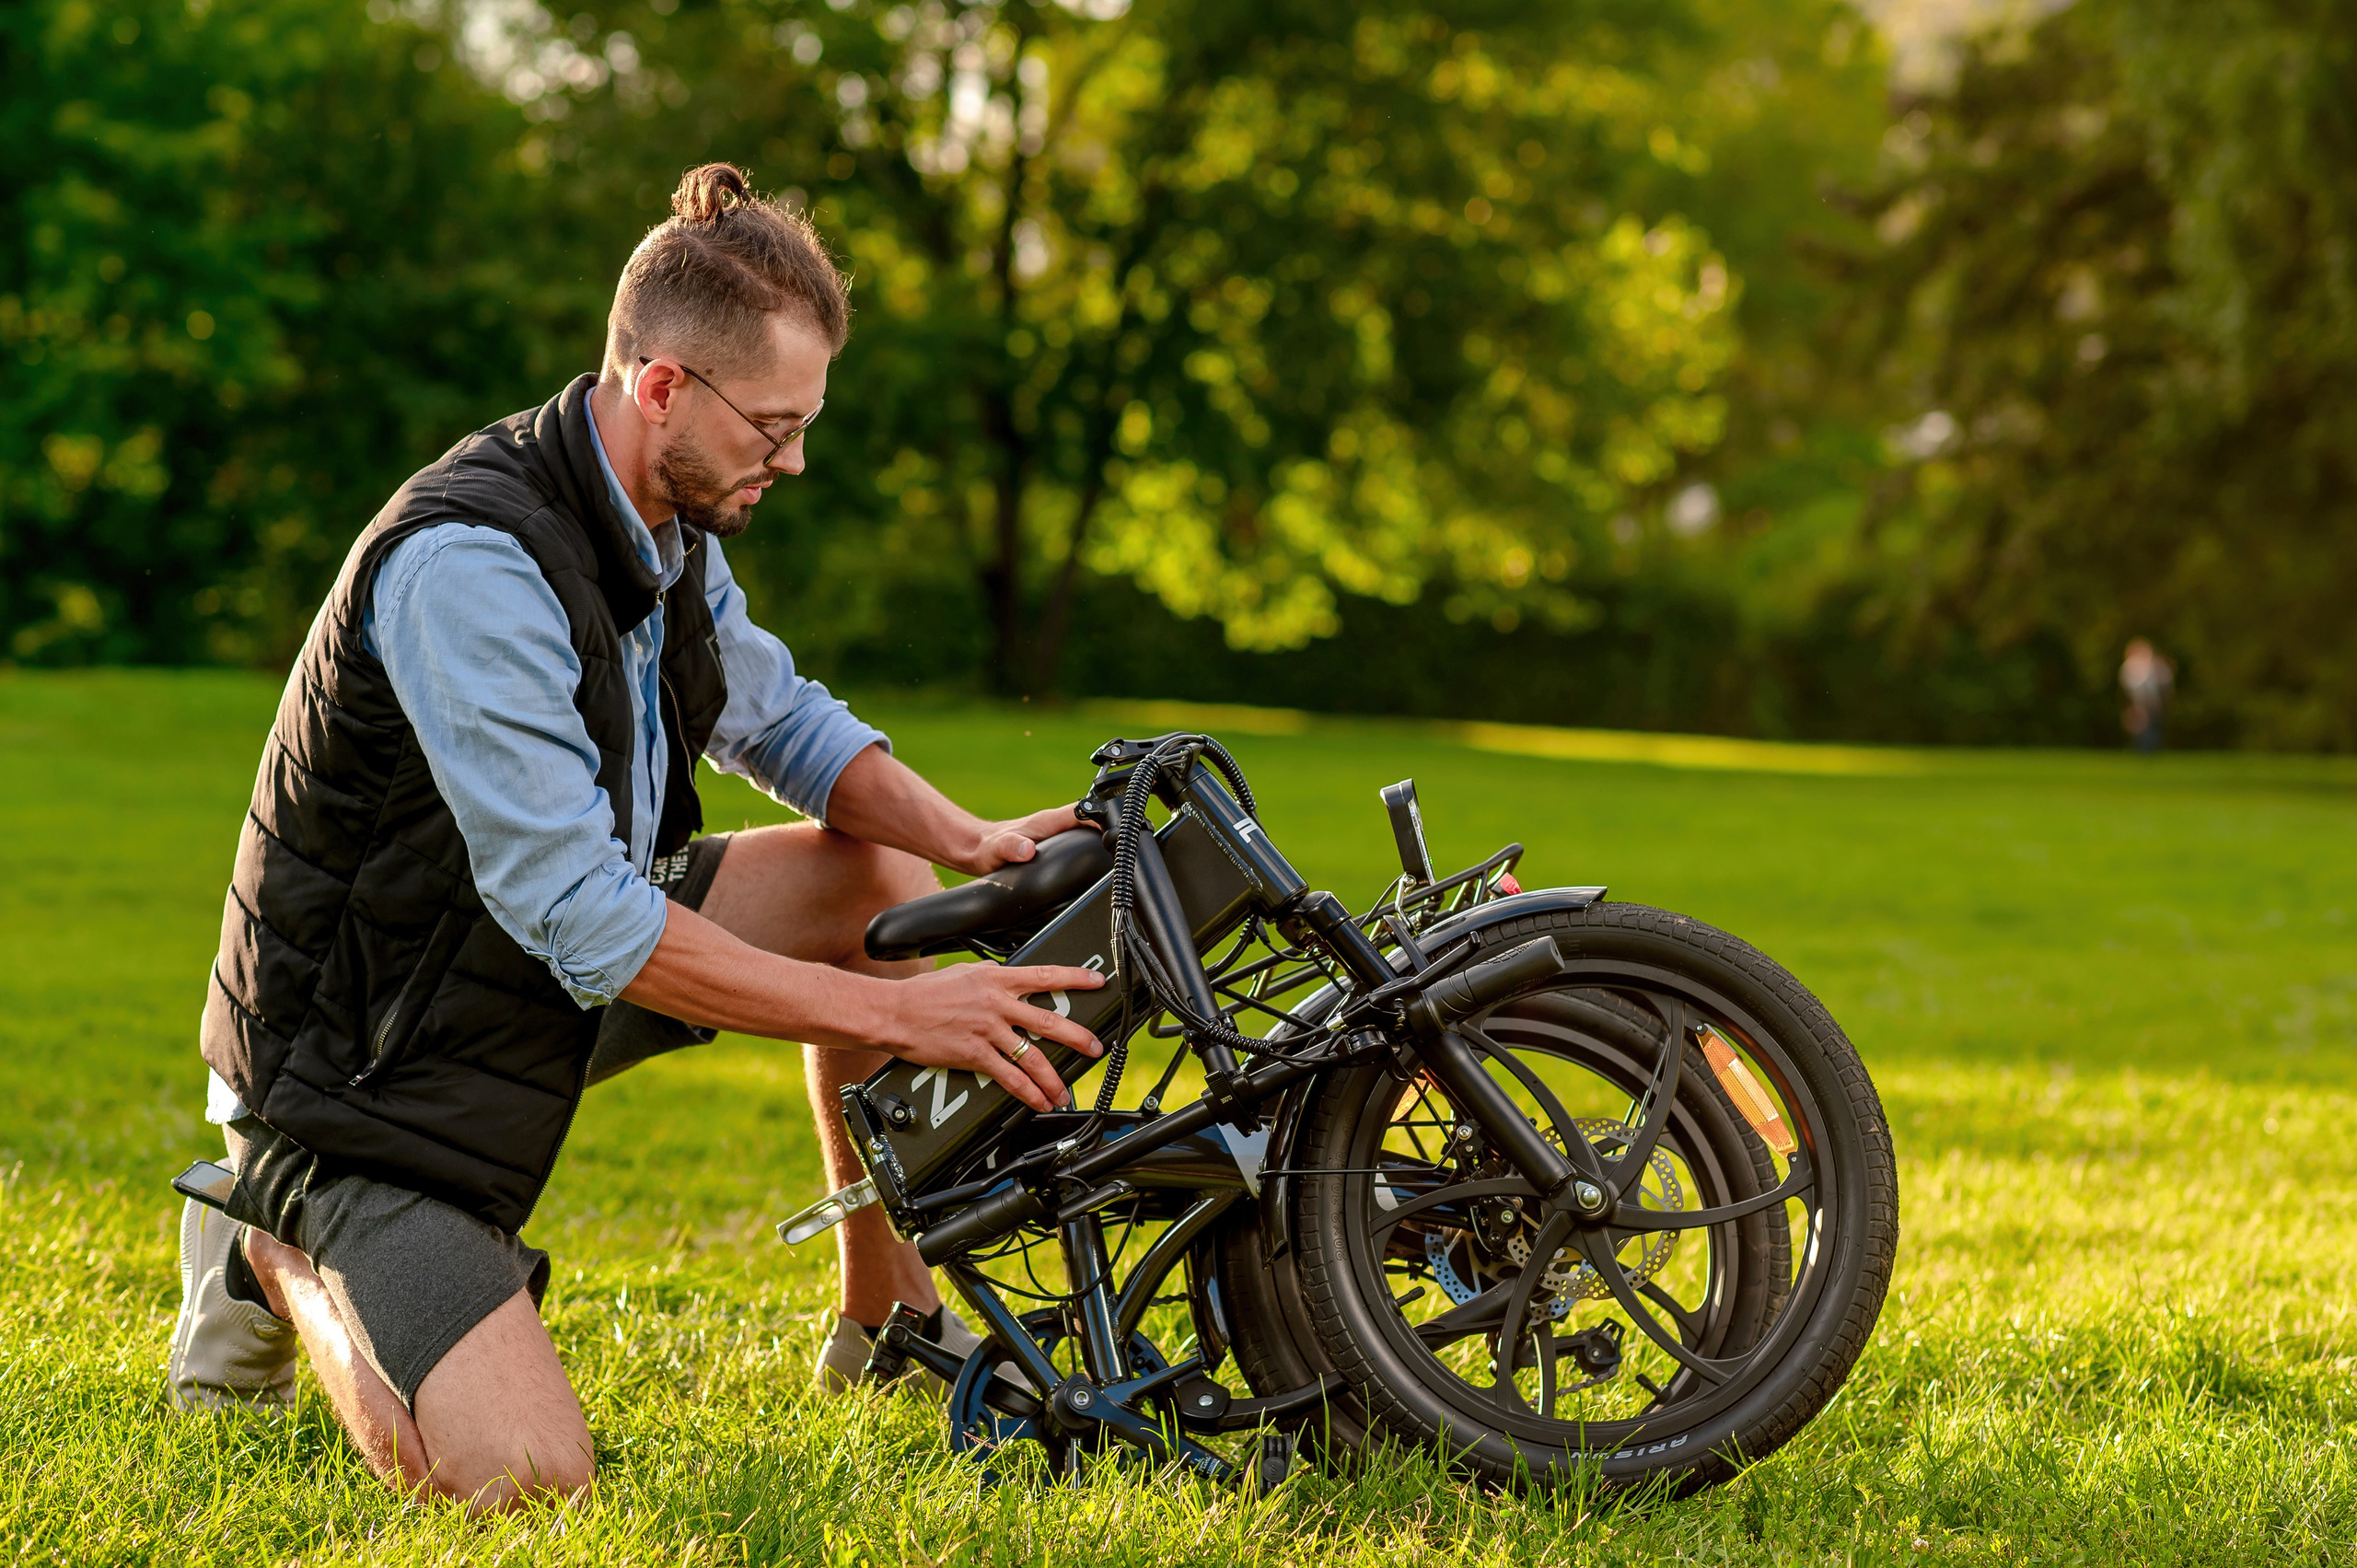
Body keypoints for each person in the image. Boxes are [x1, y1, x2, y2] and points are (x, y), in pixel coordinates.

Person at [164, 163, 1107, 1512]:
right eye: (775, 427)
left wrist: (972, 841)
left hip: (509, 967)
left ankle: (885, 1323)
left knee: (884, 880)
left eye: (805, 423)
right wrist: (911, 1012)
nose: (793, 459)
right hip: (364, 1063)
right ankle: (272, 1228)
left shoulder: (668, 515)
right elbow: (587, 918)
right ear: (662, 384)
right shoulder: (472, 567)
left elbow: (778, 718)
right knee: (527, 1478)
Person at [2119, 637, 2175, 753]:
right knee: (2142, 728)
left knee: (2150, 728)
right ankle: (2144, 751)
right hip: (2141, 703)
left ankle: (2148, 751)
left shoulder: (2154, 666)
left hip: (2150, 703)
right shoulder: (2130, 667)